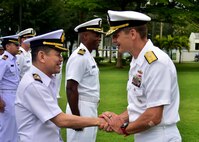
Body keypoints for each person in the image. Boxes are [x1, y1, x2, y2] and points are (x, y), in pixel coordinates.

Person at [100, 10, 182, 142]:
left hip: (160, 136)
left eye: (116, 35)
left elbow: (154, 116)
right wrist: (118, 119)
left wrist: (123, 128)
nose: (114, 40)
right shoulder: (138, 61)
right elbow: (140, 106)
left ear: (132, 34)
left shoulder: (156, 62)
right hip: (145, 135)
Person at [15, 29, 106, 142]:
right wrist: (99, 121)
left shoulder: (45, 81)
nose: (61, 59)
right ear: (42, 56)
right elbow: (60, 120)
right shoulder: (33, 84)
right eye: (58, 54)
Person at [65, 18, 104, 142]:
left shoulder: (87, 55)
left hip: (88, 107)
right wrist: (77, 119)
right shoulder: (79, 56)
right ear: (85, 36)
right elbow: (71, 88)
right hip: (81, 107)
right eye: (96, 35)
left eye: (100, 35)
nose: (99, 38)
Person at [0, 34, 20, 142]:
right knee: (6, 127)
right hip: (6, 96)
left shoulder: (14, 60)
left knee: (14, 127)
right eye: (15, 44)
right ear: (7, 46)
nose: (18, 46)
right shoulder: (3, 60)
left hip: (14, 95)